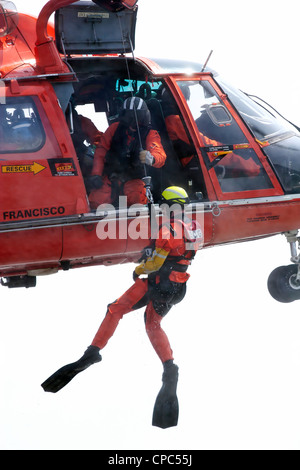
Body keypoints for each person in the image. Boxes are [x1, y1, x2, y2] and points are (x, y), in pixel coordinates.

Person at [41, 186, 203, 428]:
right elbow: (179, 253)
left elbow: (156, 261)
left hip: (157, 282)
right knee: (153, 324)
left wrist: (138, 269)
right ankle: (170, 368)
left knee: (115, 310)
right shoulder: (194, 227)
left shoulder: (167, 229)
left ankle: (92, 353)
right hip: (178, 287)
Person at [88, 97, 167, 208]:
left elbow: (159, 153)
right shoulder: (113, 129)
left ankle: (136, 224)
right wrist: (96, 174)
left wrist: (152, 158)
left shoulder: (150, 134)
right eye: (129, 117)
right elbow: (101, 152)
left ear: (144, 117)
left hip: (135, 180)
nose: (133, 122)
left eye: (138, 117)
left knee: (136, 200)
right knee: (96, 201)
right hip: (112, 177)